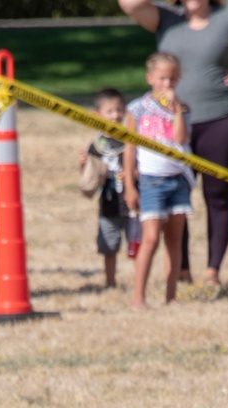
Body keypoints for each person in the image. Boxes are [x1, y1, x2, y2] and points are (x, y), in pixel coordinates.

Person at [118, 0, 228, 288]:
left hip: (221, 119)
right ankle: (181, 271)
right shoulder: (166, 18)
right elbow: (128, 5)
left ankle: (212, 271)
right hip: (172, 127)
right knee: (175, 198)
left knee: (217, 196)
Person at [123, 53, 194, 309]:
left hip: (178, 180)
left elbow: (180, 139)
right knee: (150, 238)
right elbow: (129, 148)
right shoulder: (137, 109)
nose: (167, 84)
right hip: (151, 181)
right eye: (162, 78)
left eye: (173, 79)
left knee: (174, 239)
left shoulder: (183, 109)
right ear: (150, 78)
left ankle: (171, 296)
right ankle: (138, 297)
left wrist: (176, 111)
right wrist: (130, 186)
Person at [79, 88, 139, 290]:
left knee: (137, 244)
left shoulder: (132, 140)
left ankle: (140, 280)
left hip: (133, 205)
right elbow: (89, 179)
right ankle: (110, 282)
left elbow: (142, 166)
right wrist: (83, 165)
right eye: (110, 111)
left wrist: (133, 174)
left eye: (120, 110)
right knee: (109, 247)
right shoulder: (96, 146)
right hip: (108, 205)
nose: (116, 115)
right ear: (97, 115)